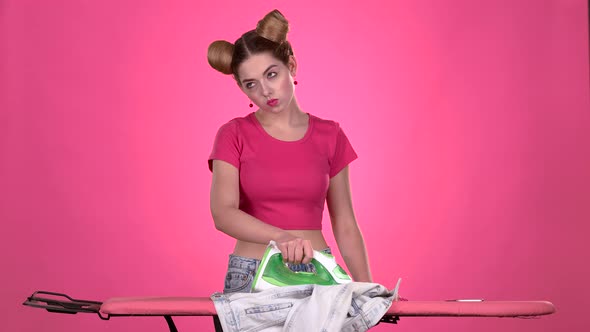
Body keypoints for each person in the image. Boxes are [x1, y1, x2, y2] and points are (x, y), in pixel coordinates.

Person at [207, 9, 372, 294]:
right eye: (251, 84)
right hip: (254, 274)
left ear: (291, 66)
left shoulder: (330, 135)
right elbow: (223, 213)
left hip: (319, 275)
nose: (266, 91)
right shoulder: (233, 134)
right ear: (242, 89)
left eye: (272, 74)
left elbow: (345, 222)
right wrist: (280, 237)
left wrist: (368, 288)